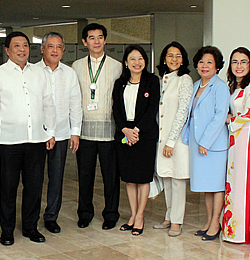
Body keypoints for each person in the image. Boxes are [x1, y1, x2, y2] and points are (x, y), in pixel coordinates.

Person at [0, 31, 55, 245]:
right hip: (9, 140)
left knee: (34, 186)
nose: (22, 49)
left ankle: (30, 227)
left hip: (36, 140)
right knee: (8, 187)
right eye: (16, 45)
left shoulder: (39, 73)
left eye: (25, 45)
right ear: (7, 50)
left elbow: (48, 103)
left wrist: (50, 131)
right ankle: (7, 230)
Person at [71, 23, 123, 230]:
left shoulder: (117, 66)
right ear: (85, 42)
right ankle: (85, 213)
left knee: (111, 176)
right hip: (84, 130)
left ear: (105, 40)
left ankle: (111, 213)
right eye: (91, 38)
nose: (96, 41)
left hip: (109, 130)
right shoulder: (76, 66)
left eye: (100, 37)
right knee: (85, 175)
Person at [34, 32, 82, 234]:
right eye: (50, 46)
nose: (55, 50)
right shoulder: (32, 71)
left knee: (56, 177)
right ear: (42, 48)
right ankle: (31, 216)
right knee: (34, 178)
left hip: (62, 133)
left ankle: (51, 216)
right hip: (36, 134)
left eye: (59, 47)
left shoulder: (69, 73)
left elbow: (75, 103)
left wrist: (75, 132)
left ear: (63, 50)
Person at [182, 46, 230, 241]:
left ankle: (215, 223)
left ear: (217, 66)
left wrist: (206, 141)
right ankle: (210, 221)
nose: (205, 65)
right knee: (206, 185)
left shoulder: (220, 86)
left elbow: (220, 116)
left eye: (209, 62)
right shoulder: (195, 85)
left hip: (214, 144)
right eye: (201, 62)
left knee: (216, 185)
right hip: (197, 142)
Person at [112, 45, 160, 236]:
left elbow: (151, 109)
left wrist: (136, 131)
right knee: (130, 179)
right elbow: (116, 109)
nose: (137, 62)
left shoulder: (152, 81)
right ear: (126, 62)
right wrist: (125, 130)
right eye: (132, 59)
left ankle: (140, 216)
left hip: (145, 134)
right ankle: (132, 214)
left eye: (140, 58)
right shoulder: (120, 83)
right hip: (125, 133)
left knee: (143, 177)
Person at [152, 42, 192, 237]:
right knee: (166, 177)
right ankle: (168, 216)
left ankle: (177, 221)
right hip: (162, 138)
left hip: (176, 140)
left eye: (178, 55)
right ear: (164, 58)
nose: (174, 59)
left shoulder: (184, 79)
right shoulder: (163, 79)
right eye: (170, 55)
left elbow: (183, 112)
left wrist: (171, 141)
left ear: (183, 59)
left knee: (177, 180)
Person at [222, 47, 250, 244]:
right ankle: (231, 229)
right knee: (234, 181)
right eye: (235, 61)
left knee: (244, 182)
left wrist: (228, 120)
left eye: (243, 61)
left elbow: (248, 114)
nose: (239, 66)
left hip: (246, 137)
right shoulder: (234, 86)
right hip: (235, 139)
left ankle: (245, 232)